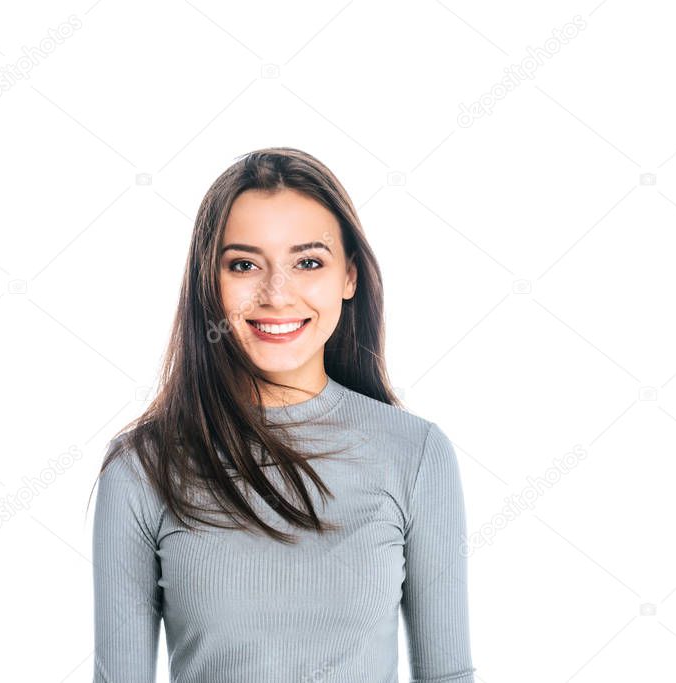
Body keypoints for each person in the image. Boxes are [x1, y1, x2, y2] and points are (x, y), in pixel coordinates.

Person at [90, 147, 475, 682]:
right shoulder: (142, 467)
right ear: (209, 281)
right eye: (244, 265)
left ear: (350, 277)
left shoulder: (415, 454)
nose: (276, 294)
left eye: (308, 262)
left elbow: (448, 676)